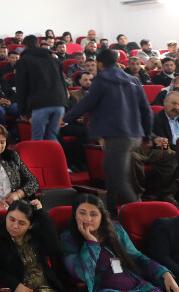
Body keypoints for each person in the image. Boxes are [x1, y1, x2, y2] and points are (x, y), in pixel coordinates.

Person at [62, 49, 153, 215]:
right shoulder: (133, 80)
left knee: (119, 180)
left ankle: (141, 216)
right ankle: (110, 211)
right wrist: (147, 134)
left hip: (118, 136)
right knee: (109, 171)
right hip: (134, 134)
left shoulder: (102, 80)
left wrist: (66, 118)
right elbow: (146, 110)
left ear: (100, 64)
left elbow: (86, 103)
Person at [14, 34, 68, 142]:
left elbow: (21, 88)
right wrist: (66, 105)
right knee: (52, 137)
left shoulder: (23, 61)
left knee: (37, 139)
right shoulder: (54, 60)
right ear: (38, 44)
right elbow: (63, 84)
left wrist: (23, 111)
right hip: (59, 103)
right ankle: (56, 154)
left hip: (40, 104)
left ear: (25, 46)